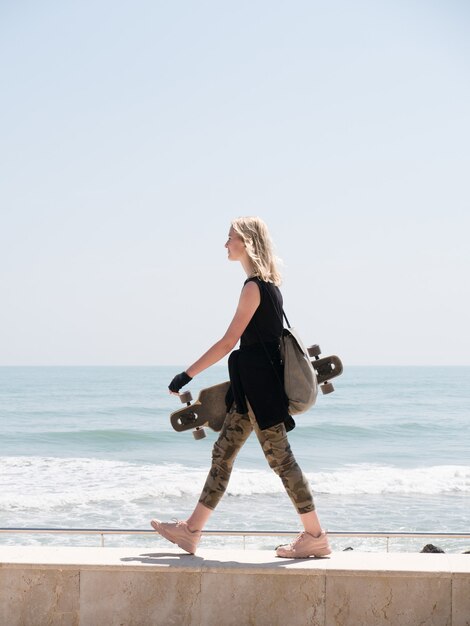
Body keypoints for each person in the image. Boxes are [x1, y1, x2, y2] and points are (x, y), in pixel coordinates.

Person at [151, 217, 331, 558]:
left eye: (230, 237)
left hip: (261, 394)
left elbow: (227, 342)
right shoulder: (268, 287)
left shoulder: (255, 288)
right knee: (222, 455)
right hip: (249, 391)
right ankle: (191, 531)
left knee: (281, 460)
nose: (225, 244)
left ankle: (315, 535)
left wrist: (186, 375)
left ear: (246, 242)